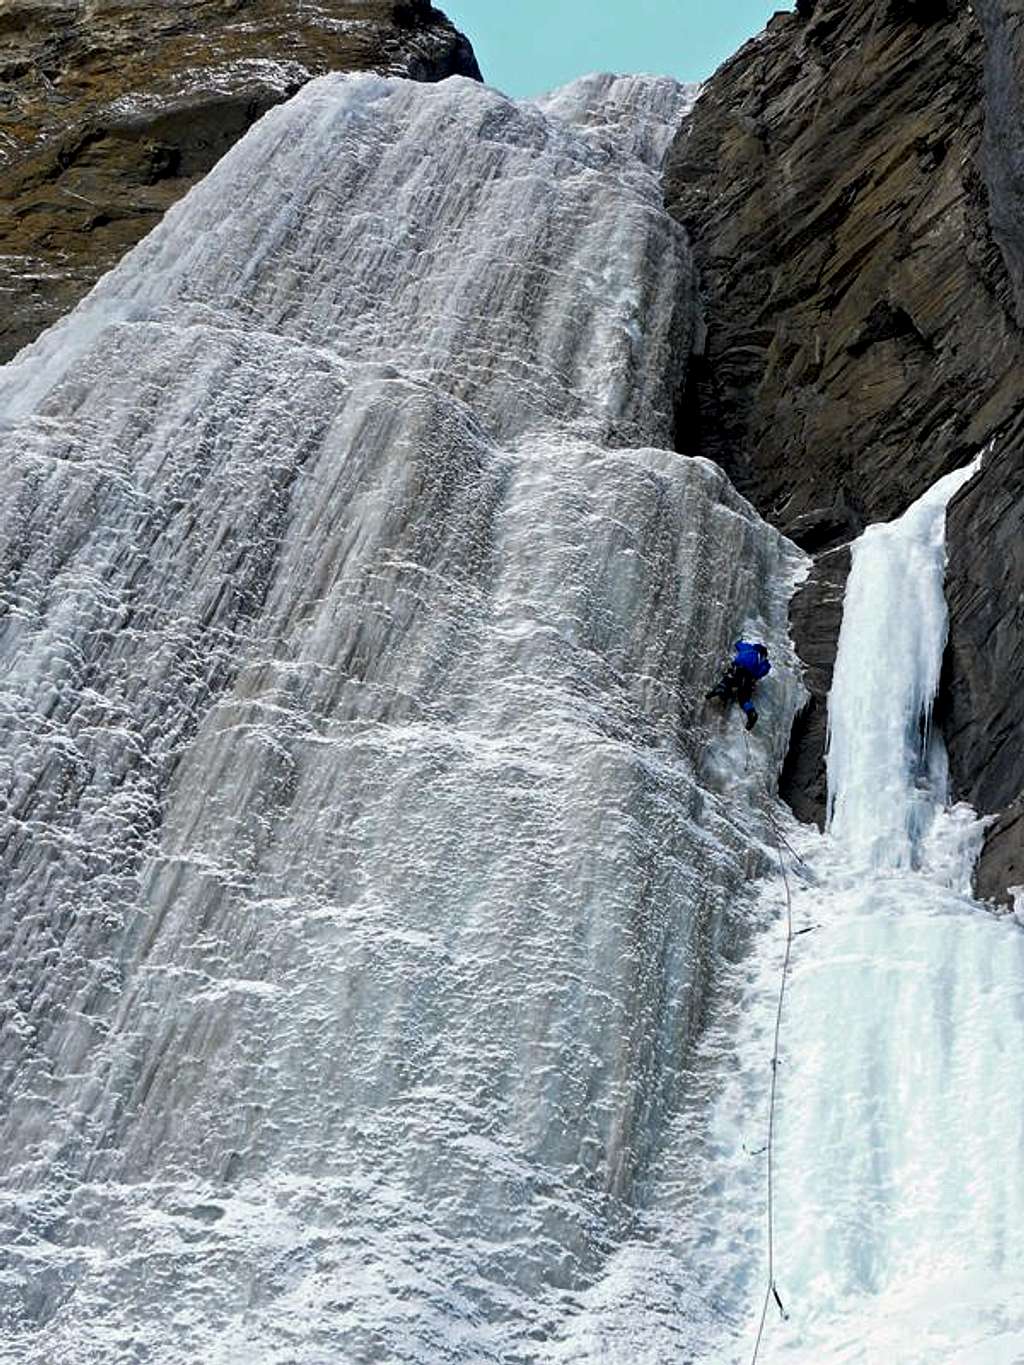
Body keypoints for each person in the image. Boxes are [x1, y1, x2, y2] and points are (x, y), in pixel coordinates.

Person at [706, 640, 770, 730]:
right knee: (743, 697)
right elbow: (761, 673)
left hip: (738, 669)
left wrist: (740, 641)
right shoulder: (765, 662)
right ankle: (751, 712)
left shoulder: (748, 648)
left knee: (728, 681)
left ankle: (719, 690)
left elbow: (737, 644)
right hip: (749, 677)